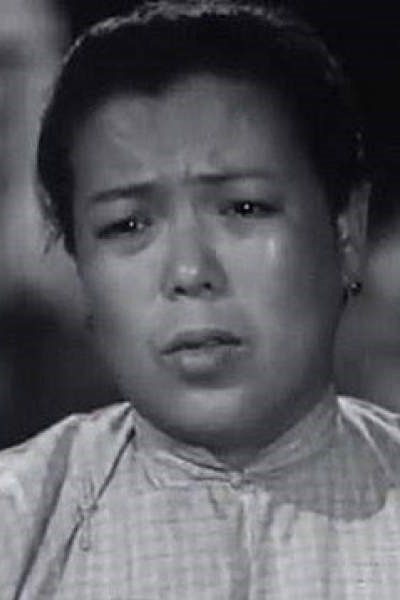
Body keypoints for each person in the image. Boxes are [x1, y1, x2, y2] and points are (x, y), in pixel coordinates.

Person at [1, 1, 400, 598]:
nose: (189, 272)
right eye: (127, 225)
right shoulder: (18, 526)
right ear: (79, 268)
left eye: (244, 208)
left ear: (346, 231)